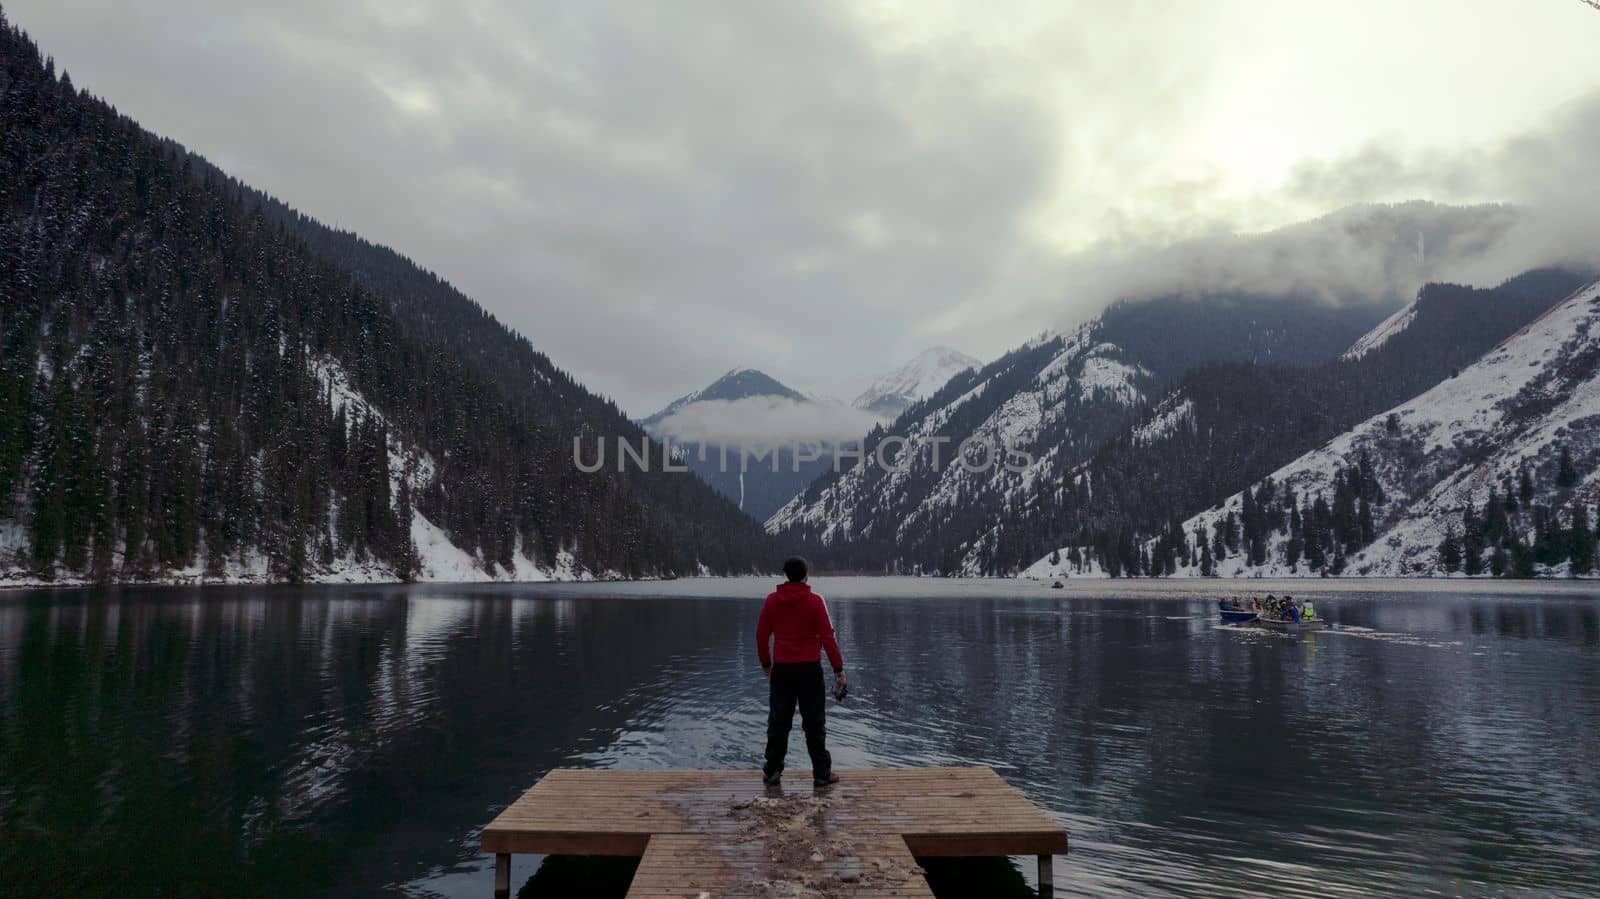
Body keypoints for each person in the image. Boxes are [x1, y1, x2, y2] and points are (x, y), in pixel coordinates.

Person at [757, 557, 846, 788]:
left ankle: (773, 770)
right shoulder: (815, 602)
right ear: (806, 575)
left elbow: (761, 635)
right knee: (814, 722)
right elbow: (828, 638)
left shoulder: (772, 601)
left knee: (779, 721)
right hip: (809, 669)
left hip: (783, 670)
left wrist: (766, 664)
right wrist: (838, 670)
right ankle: (821, 774)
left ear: (786, 575)